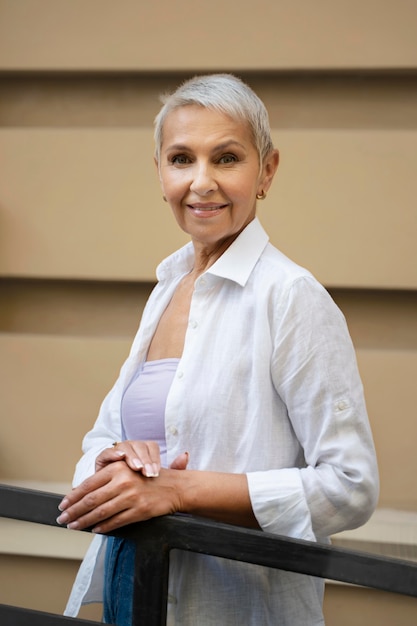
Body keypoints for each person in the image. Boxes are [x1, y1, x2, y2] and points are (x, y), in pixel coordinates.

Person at [59, 73, 379, 626]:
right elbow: (101, 439)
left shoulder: (291, 297)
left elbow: (351, 487)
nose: (200, 182)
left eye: (226, 158)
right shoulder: (168, 286)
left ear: (266, 171)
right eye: (181, 159)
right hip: (132, 589)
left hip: (235, 610)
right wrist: (118, 462)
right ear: (160, 173)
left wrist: (181, 490)